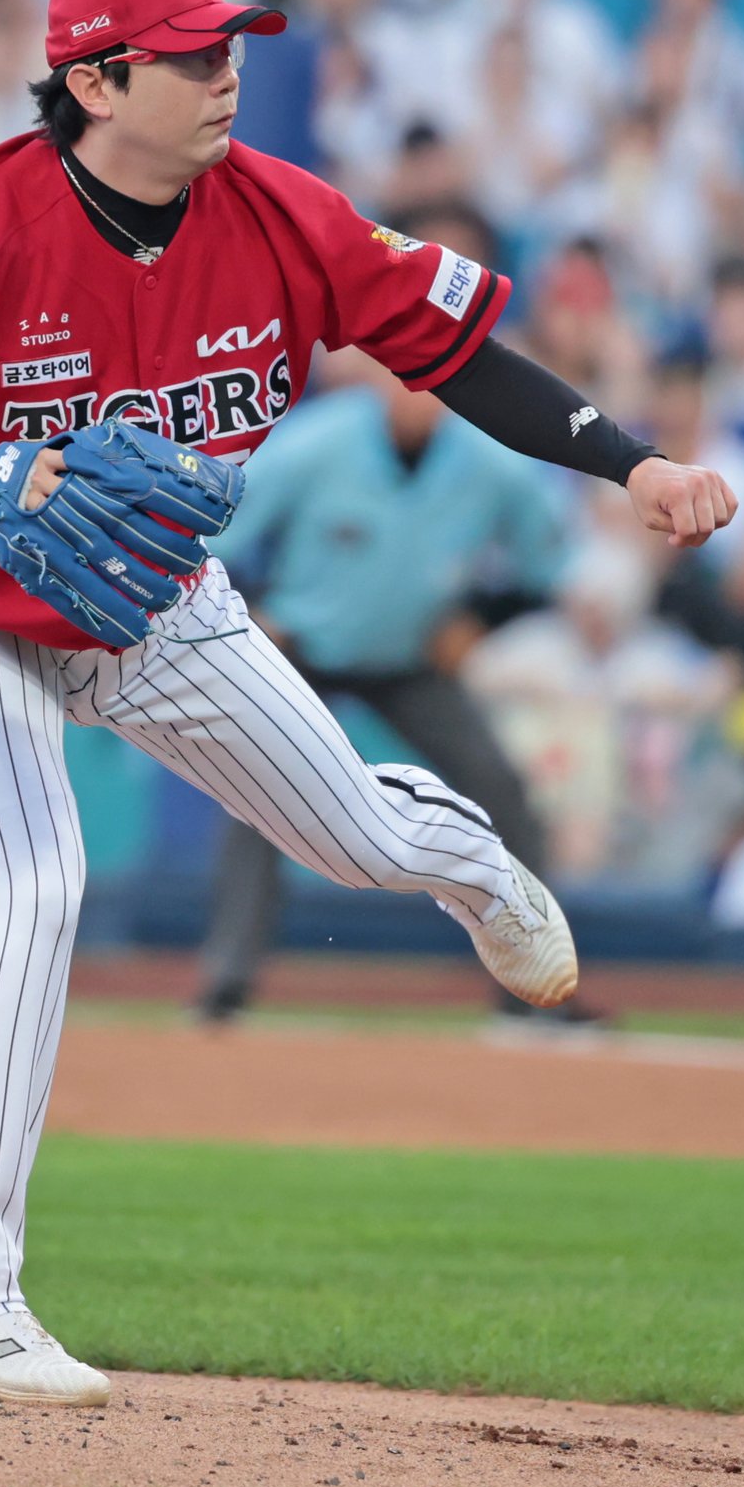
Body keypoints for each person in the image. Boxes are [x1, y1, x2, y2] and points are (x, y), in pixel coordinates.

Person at [0, 0, 737, 1409]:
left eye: (229, 42)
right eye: (191, 52)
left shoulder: (283, 215)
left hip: (155, 599)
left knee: (360, 841)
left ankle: (472, 864)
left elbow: (457, 355)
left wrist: (635, 463)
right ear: (97, 81)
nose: (227, 70)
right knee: (32, 881)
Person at [195, 353, 566, 1021]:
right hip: (302, 652)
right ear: (376, 377)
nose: (415, 391)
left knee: (499, 788)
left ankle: (533, 985)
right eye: (402, 375)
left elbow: (546, 567)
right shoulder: (317, 442)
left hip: (410, 659)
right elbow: (218, 534)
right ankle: (227, 979)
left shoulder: (491, 464)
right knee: (257, 795)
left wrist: (479, 619)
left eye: (430, 381)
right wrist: (251, 611)